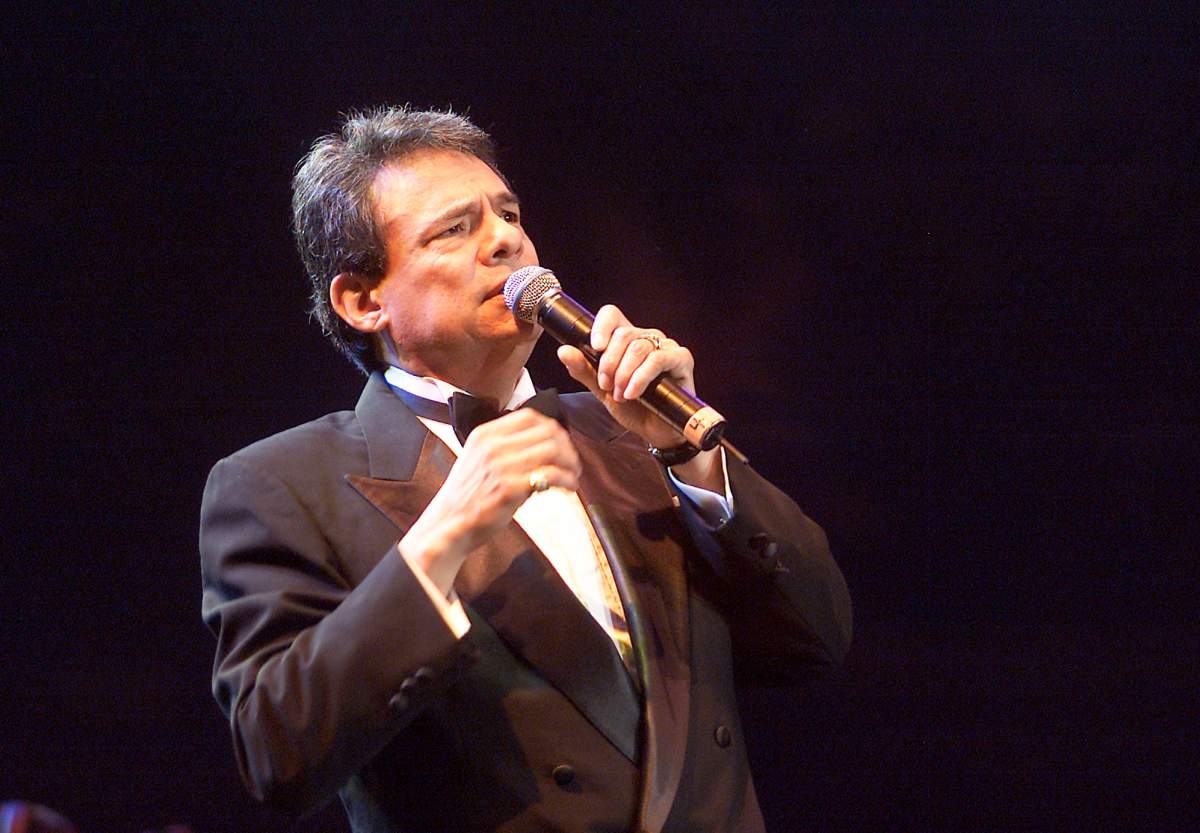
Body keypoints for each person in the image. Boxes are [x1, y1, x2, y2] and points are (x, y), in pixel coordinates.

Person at [199, 106, 852, 833]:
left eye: (508, 215)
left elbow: (817, 640)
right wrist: (444, 535)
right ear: (363, 299)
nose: (506, 239)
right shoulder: (282, 484)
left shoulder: (633, 431)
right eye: (455, 229)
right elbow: (277, 752)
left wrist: (694, 459)